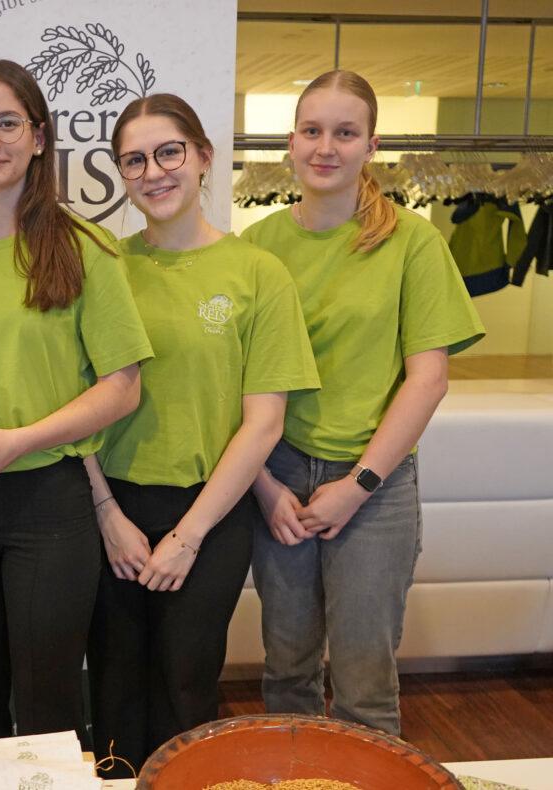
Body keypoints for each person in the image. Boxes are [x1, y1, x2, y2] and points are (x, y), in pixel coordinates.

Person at [0, 59, 153, 755]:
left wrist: (24, 439)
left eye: (7, 123)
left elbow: (123, 386)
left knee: (49, 707)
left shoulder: (84, 250)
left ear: (40, 137)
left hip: (50, 506)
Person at [241, 70, 485, 736]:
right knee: (286, 673)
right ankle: (298, 781)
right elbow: (232, 387)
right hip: (277, 479)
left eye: (345, 133)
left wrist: (357, 486)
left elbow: (427, 381)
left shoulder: (412, 242)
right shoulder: (255, 249)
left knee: (364, 688)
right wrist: (263, 487)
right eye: (312, 131)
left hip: (375, 486)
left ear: (371, 145)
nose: (326, 147)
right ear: (291, 141)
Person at [83, 94, 320, 775]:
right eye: (134, 160)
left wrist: (188, 535)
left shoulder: (257, 273)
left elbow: (264, 420)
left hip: (212, 512)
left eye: (169, 152)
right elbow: (75, 401)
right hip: (110, 508)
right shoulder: (102, 265)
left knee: (186, 686)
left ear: (203, 157)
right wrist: (107, 515)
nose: (153, 172)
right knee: (113, 688)